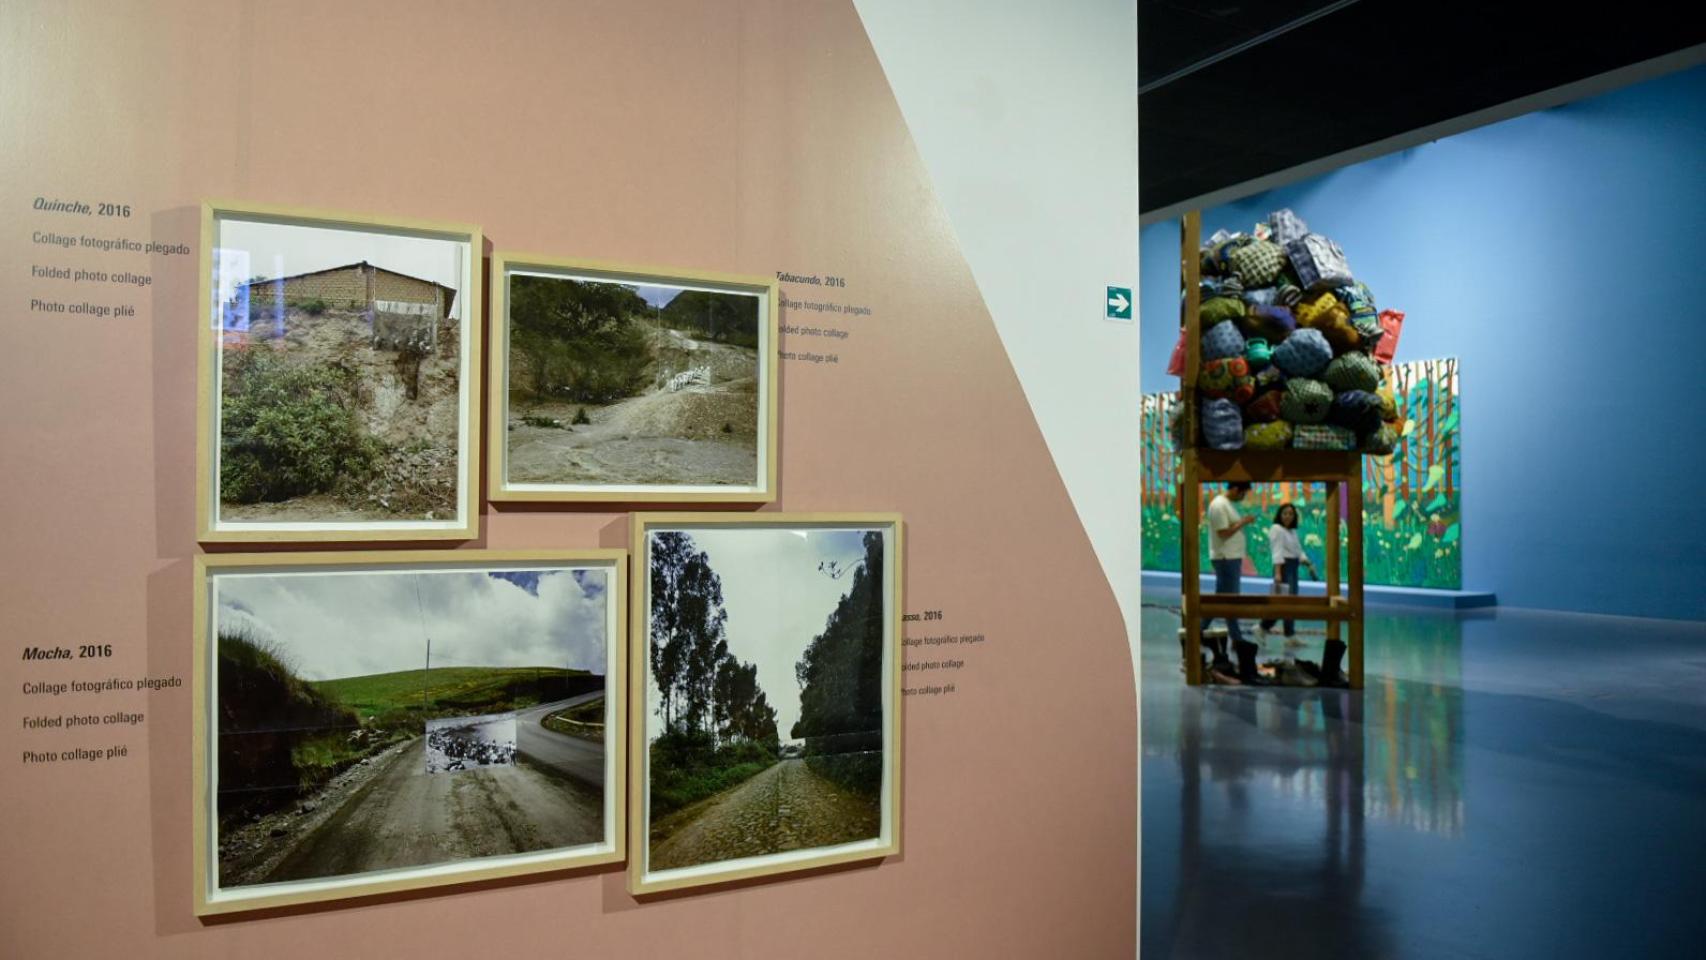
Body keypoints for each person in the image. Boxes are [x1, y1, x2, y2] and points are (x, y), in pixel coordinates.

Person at [1204, 481, 1267, 685]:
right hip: (1225, 558)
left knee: (1227, 599)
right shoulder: (1219, 505)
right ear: (1235, 489)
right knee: (1226, 599)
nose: (1243, 497)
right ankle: (1199, 628)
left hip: (1231, 557)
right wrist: (1244, 522)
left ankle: (1235, 637)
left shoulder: (1226, 504)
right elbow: (1223, 532)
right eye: (1243, 493)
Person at [1260, 502, 1318, 645]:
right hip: (1283, 568)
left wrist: (1308, 563)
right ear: (1280, 515)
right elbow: (1277, 552)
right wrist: (1278, 574)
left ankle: (1289, 634)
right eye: (1285, 513)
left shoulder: (1292, 532)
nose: (1288, 516)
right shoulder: (1277, 529)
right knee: (1283, 603)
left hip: (1293, 567)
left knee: (1291, 602)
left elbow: (1298, 551)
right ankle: (1262, 627)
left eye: (1291, 514)